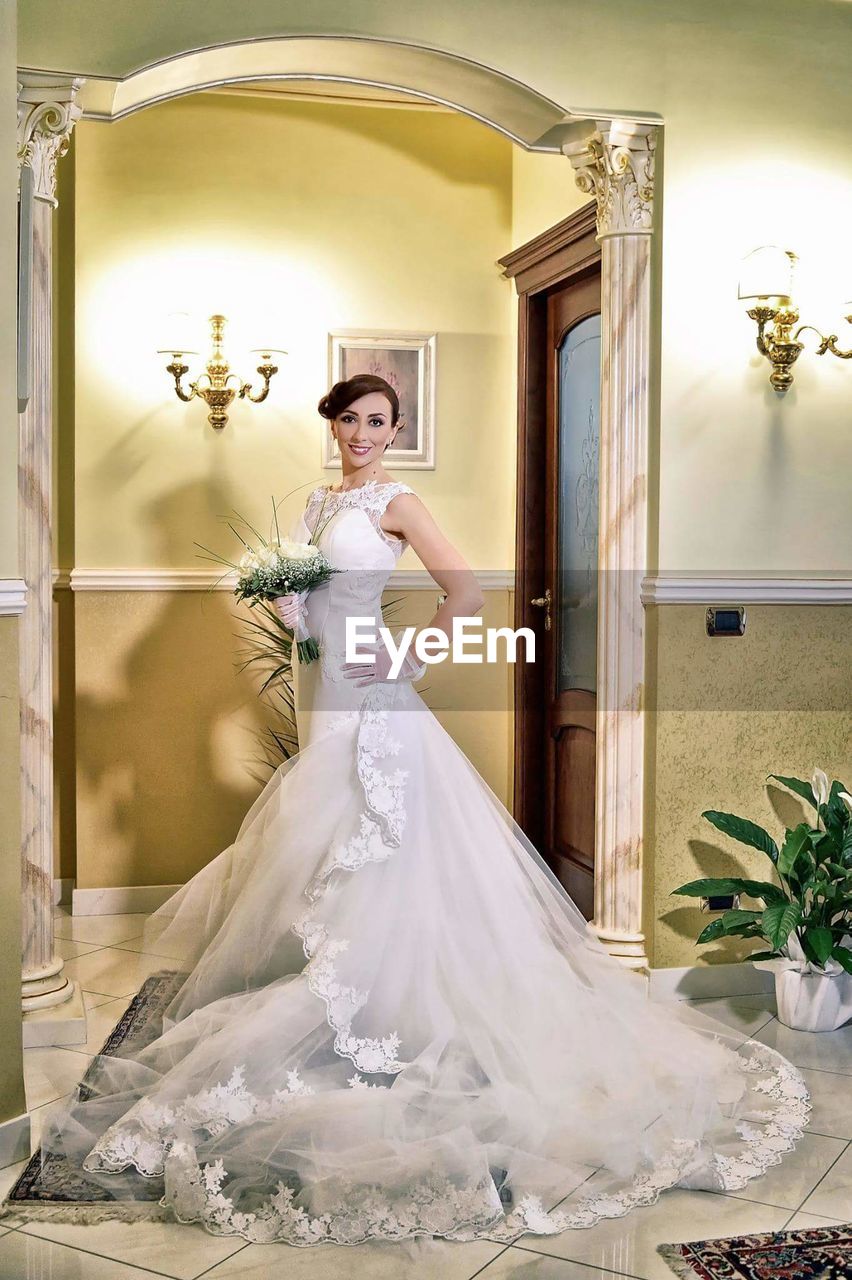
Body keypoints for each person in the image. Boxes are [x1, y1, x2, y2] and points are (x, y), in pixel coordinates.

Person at [1, 374, 809, 1252]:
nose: (361, 433)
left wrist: (408, 658)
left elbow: (464, 591)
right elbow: (320, 604)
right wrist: (295, 608)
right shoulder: (319, 499)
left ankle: (385, 1006)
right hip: (323, 682)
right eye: (349, 419)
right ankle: (352, 992)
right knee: (327, 834)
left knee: (375, 835)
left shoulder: (398, 500)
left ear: (396, 431)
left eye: (377, 421)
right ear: (335, 424)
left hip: (369, 690)